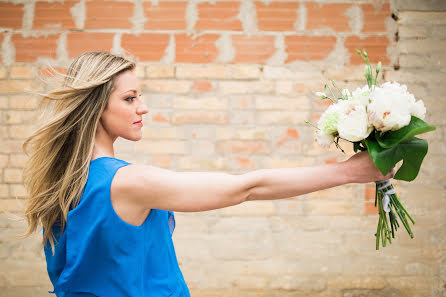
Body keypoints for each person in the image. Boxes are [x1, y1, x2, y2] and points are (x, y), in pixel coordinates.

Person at [21, 51, 394, 297]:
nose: (144, 108)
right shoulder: (128, 181)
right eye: (130, 98)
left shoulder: (62, 182)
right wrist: (348, 172)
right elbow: (246, 189)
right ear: (97, 107)